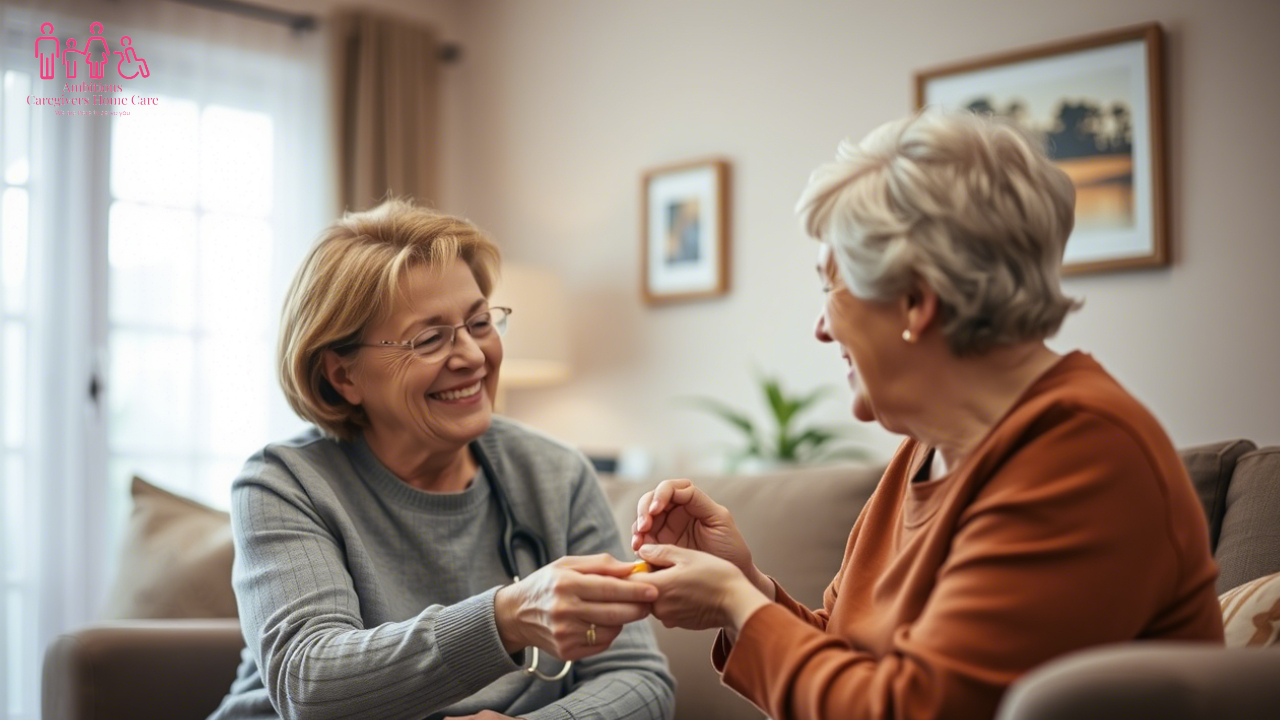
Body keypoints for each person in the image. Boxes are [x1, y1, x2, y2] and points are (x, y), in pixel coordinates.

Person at [630, 110, 1223, 720]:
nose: (819, 327)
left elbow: (917, 709)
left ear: (916, 300)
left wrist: (736, 603)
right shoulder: (928, 447)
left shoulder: (1083, 452)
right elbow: (841, 653)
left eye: (829, 287)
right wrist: (745, 582)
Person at [208, 199, 674, 720]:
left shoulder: (556, 474)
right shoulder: (284, 484)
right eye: (429, 339)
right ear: (344, 375)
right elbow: (310, 686)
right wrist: (506, 618)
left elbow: (639, 679)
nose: (473, 357)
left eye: (479, 323)